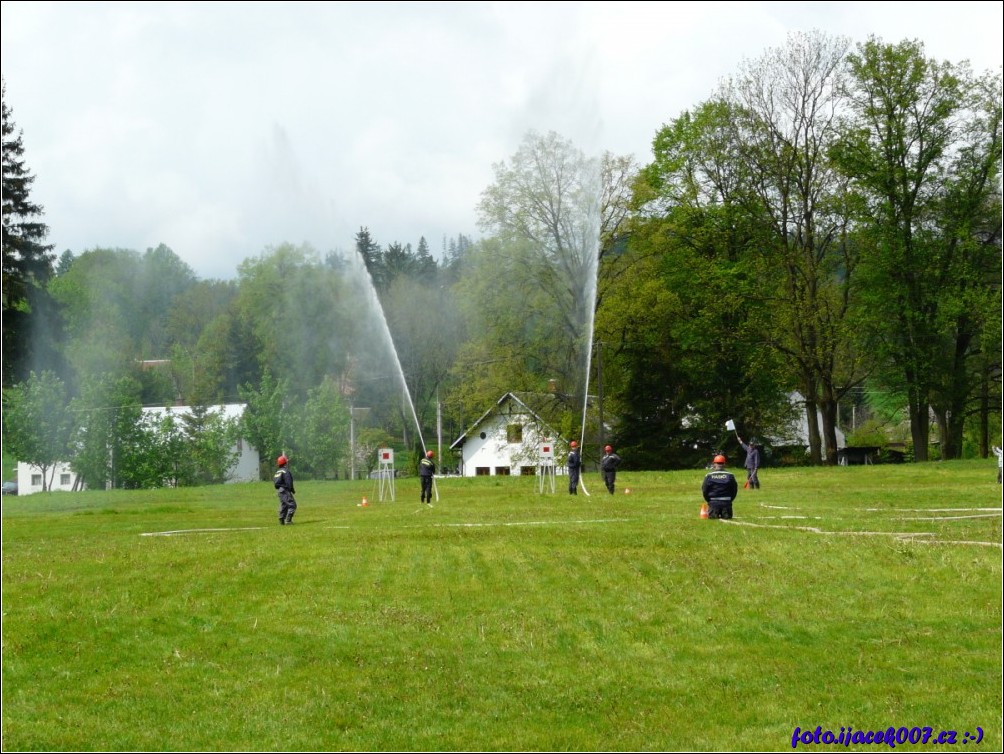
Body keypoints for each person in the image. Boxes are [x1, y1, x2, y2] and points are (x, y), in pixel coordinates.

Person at [702, 454, 738, 519]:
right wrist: (730, 500)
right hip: (727, 503)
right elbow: (734, 490)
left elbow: (704, 490)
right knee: (727, 518)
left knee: (713, 519)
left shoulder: (709, 476)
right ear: (724, 464)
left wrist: (709, 501)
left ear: (714, 464)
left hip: (713, 504)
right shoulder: (730, 475)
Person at [273, 454, 296, 525]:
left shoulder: (277, 472)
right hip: (285, 490)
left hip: (280, 491)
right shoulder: (285, 471)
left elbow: (276, 483)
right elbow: (289, 482)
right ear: (285, 463)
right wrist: (291, 489)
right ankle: (288, 521)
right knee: (292, 505)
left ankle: (281, 519)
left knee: (284, 505)